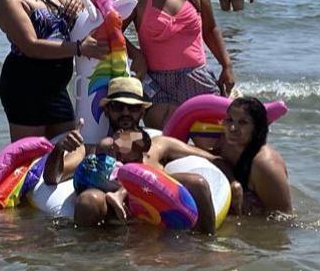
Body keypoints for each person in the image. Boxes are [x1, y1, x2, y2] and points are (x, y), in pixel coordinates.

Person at [43, 77, 219, 234]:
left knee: (198, 184)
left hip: (156, 195)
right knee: (88, 201)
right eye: (118, 107)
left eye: (133, 107)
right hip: (110, 204)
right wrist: (59, 149)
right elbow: (52, 178)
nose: (126, 112)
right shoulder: (90, 148)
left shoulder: (158, 144)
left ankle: (206, 250)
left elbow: (210, 158)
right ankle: (91, 262)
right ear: (106, 110)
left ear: (142, 112)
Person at [0, 0, 109, 142]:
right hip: (25, 86)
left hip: (56, 88)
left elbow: (69, 16)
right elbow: (31, 45)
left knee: (70, 146)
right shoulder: (7, 0)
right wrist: (78, 48)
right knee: (29, 157)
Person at [117, 0, 235, 130]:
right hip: (155, 82)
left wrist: (227, 65)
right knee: (165, 142)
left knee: (212, 142)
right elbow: (111, 30)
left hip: (196, 78)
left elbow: (210, 28)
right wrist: (136, 55)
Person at [216, 97, 292, 215]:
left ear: (257, 128)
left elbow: (283, 219)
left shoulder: (265, 166)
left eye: (242, 122)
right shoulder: (228, 144)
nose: (232, 128)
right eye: (230, 120)